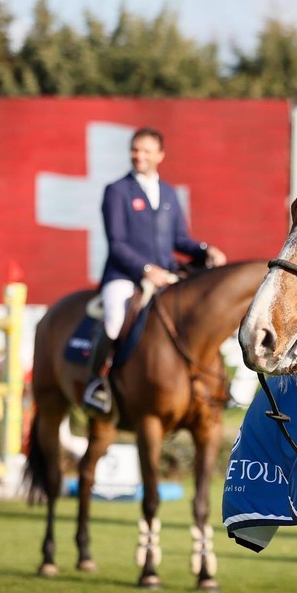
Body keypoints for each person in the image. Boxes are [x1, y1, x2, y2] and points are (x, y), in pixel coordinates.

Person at [83, 126, 227, 414]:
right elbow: (117, 243)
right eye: (135, 150)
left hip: (166, 274)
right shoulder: (117, 191)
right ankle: (98, 384)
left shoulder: (169, 193)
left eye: (146, 151)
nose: (139, 156)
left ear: (160, 155)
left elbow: (179, 240)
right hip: (124, 277)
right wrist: (146, 270)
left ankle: (210, 385)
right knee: (114, 320)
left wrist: (204, 250)